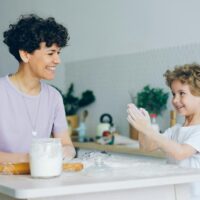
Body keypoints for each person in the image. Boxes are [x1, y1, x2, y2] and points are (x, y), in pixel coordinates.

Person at [0, 14, 75, 164]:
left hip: (40, 181)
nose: (57, 60)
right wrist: (30, 159)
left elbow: (67, 144)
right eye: (50, 53)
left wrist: (66, 152)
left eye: (58, 53)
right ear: (25, 54)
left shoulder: (54, 97)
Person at [127, 63, 200, 200]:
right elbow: (147, 147)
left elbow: (180, 153)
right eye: (173, 94)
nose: (175, 100)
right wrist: (144, 128)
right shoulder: (177, 129)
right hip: (175, 194)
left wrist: (148, 130)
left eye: (182, 93)